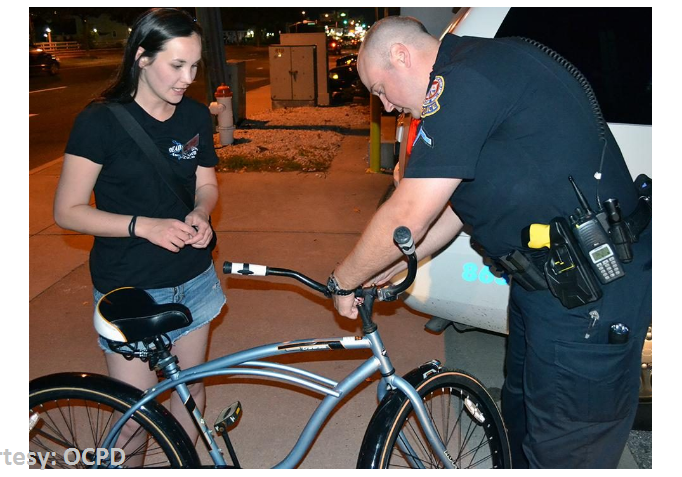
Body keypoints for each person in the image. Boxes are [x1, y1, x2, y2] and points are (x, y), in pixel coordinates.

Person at [330, 16, 651, 469]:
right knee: (524, 418)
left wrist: (342, 279)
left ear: (401, 56)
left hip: (590, 292)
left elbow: (408, 212)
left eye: (381, 89)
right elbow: (456, 208)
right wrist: (392, 268)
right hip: (548, 285)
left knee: (567, 446)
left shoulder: (466, 81)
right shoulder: (471, 71)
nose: (384, 106)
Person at [53, 8, 226, 450]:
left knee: (189, 396)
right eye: (176, 65)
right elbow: (68, 211)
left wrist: (202, 213)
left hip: (195, 280)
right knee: (134, 415)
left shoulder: (193, 118)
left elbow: (206, 183)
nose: (187, 77)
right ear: (142, 58)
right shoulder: (99, 121)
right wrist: (142, 226)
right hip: (130, 289)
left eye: (194, 66)